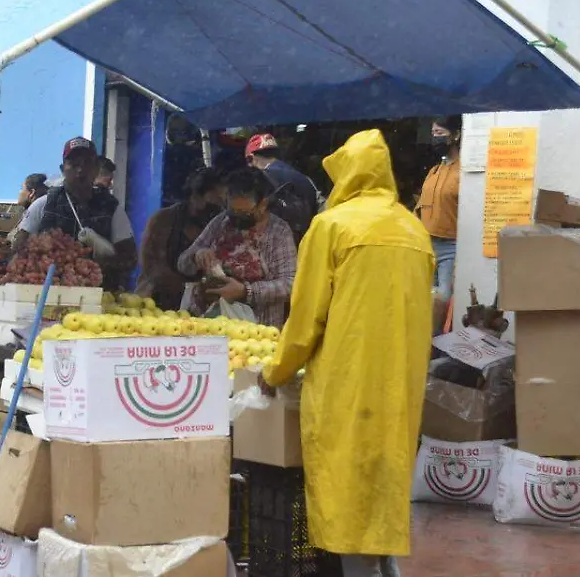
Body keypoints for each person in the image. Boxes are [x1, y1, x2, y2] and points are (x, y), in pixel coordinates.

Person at [261, 130, 434, 577]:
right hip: (402, 381)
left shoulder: (332, 226)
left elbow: (305, 317)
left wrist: (276, 371)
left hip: (347, 377)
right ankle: (381, 566)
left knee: (344, 483)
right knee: (383, 478)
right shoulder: (415, 229)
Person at [12, 137, 137, 291]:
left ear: (96, 168)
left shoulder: (112, 208)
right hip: (49, 297)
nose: (80, 170)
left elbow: (130, 258)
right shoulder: (43, 204)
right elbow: (17, 250)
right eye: (74, 164)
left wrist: (97, 263)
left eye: (87, 163)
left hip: (100, 299)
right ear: (62, 169)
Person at [177, 168, 296, 329]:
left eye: (244, 213)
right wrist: (196, 256)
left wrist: (246, 292)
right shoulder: (221, 222)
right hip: (206, 323)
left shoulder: (278, 232)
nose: (237, 218)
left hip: (255, 330)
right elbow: (182, 263)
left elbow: (289, 284)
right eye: (233, 211)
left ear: (263, 204)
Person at [136, 167, 227, 311]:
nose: (214, 213)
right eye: (211, 206)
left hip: (200, 307)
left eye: (219, 207)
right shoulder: (163, 220)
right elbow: (152, 267)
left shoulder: (220, 225)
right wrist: (189, 289)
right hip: (156, 303)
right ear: (195, 195)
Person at [415, 116, 461, 307]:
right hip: (426, 244)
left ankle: (440, 337)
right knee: (424, 298)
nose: (436, 139)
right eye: (433, 134)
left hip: (450, 246)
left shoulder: (464, 171)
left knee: (442, 298)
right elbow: (420, 208)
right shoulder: (434, 171)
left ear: (456, 135)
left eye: (440, 133)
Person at [245, 133, 320, 243]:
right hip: (306, 240)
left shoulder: (262, 179)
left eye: (248, 161)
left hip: (279, 242)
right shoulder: (302, 177)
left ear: (251, 157)